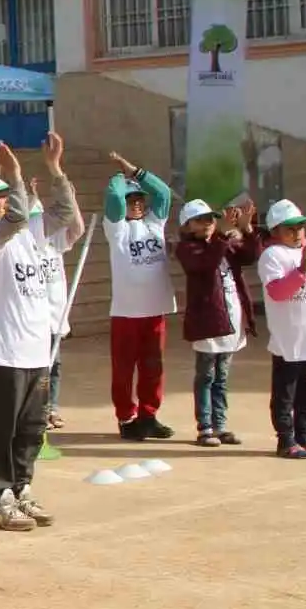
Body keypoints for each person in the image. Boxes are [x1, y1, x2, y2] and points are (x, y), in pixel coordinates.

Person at [0, 135, 75, 531]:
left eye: (5, 194)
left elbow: (64, 213)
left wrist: (55, 169)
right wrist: (13, 176)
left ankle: (21, 488)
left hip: (37, 350)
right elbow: (14, 216)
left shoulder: (33, 240)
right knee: (4, 430)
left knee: (33, 429)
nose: (5, 200)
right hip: (6, 354)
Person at [103, 151, 177, 441]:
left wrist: (136, 171)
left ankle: (149, 415)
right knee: (123, 370)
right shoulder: (117, 229)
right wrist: (120, 178)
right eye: (130, 201)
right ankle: (126, 417)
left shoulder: (155, 224)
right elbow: (112, 198)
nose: (135, 205)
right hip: (126, 312)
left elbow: (164, 194)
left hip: (155, 308)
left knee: (153, 367)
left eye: (139, 200)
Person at [175, 198, 258, 447]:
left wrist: (246, 229)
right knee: (206, 376)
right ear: (188, 227)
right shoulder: (188, 248)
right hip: (208, 323)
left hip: (231, 320)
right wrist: (224, 235)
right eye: (201, 219)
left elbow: (251, 255)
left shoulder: (223, 243)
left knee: (222, 376)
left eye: (211, 217)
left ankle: (220, 426)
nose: (209, 222)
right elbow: (206, 264)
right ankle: (205, 428)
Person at [257, 200, 306, 459]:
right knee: (286, 392)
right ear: (275, 232)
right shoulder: (272, 256)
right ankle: (286, 439)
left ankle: (305, 435)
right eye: (289, 228)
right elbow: (277, 292)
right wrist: (301, 270)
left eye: (300, 227)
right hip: (290, 339)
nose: (297, 232)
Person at [29, 179, 85, 431]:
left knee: (55, 365)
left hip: (54, 317)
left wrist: (70, 197)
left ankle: (51, 407)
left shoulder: (54, 243)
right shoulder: (23, 247)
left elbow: (78, 229)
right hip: (31, 318)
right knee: (38, 367)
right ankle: (35, 410)